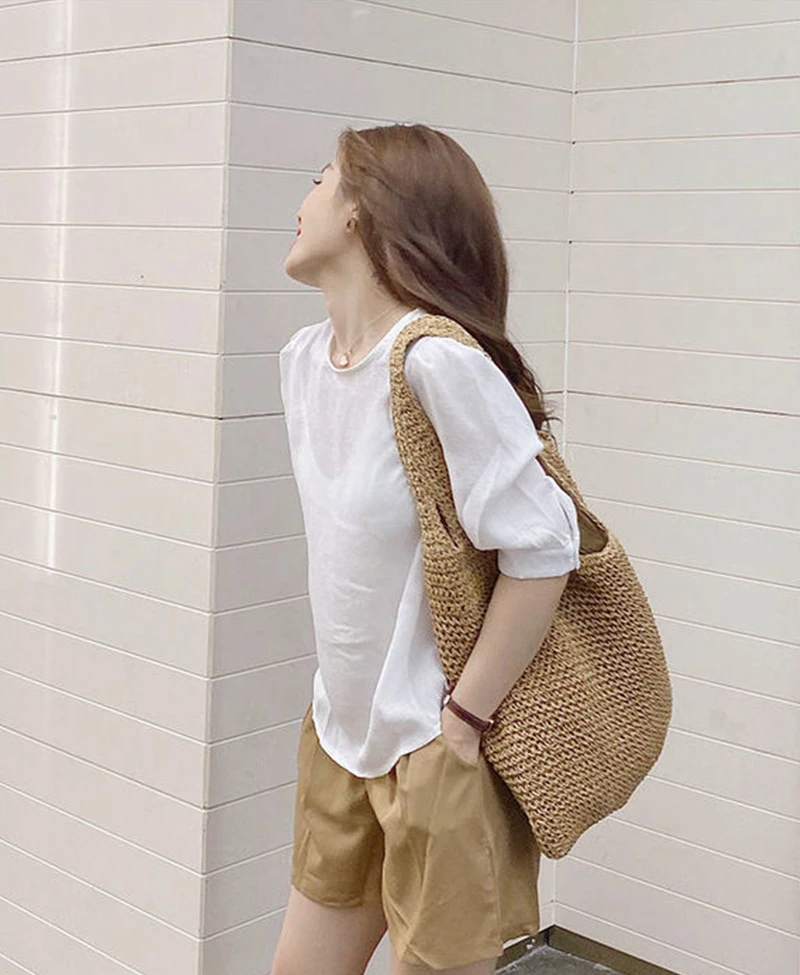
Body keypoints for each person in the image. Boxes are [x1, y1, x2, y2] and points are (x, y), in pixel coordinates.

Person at [273, 123, 581, 975]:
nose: (300, 203)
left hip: (434, 744)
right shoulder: (303, 362)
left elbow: (545, 547)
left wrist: (463, 722)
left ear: (362, 212)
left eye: (319, 179)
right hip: (340, 734)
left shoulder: (435, 363)